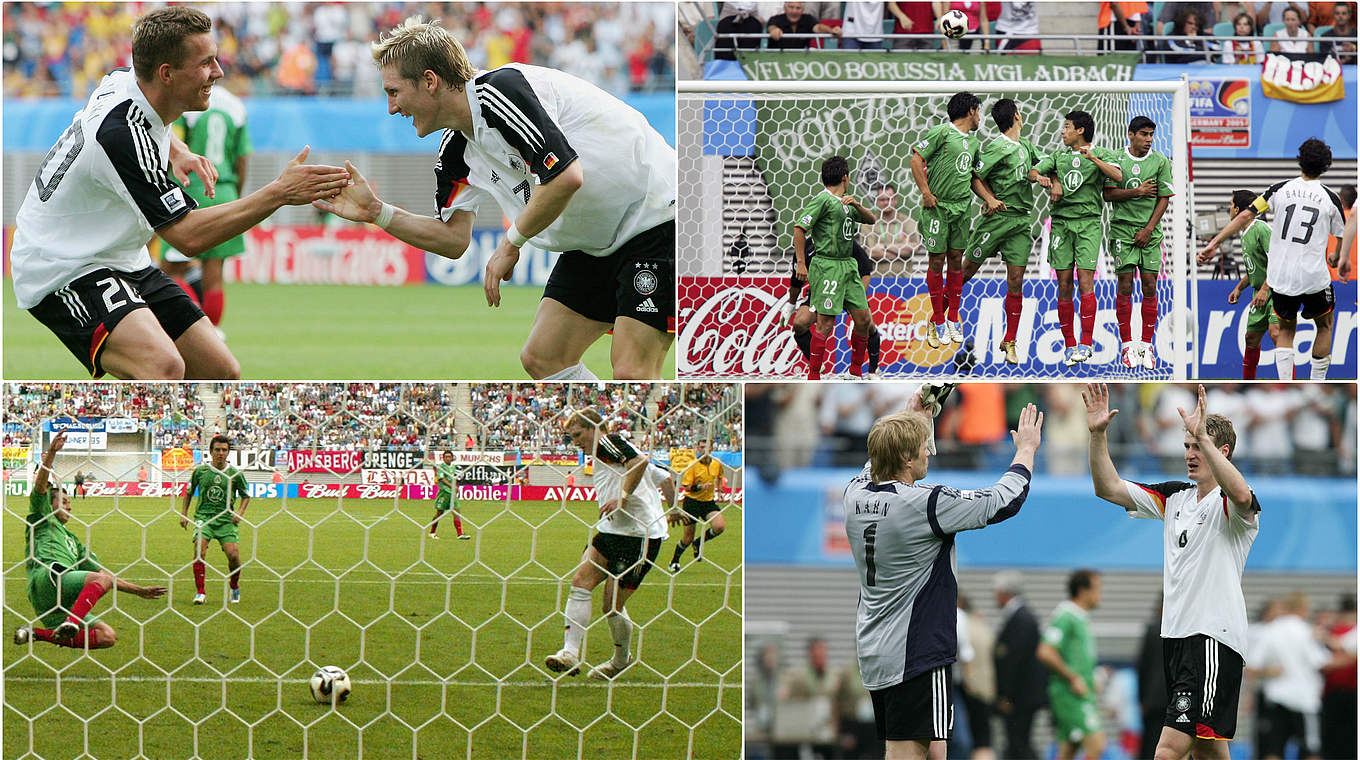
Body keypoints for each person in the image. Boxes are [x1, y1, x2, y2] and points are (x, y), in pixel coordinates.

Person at [316, 16, 676, 381]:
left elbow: (566, 176)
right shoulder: (456, 149)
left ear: (429, 81)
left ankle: (642, 435)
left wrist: (511, 242)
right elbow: (454, 239)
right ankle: (605, 438)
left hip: (657, 215)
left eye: (393, 92)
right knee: (543, 358)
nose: (391, 108)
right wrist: (378, 213)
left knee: (633, 372)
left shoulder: (500, 91)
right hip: (596, 243)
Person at [9, 6, 348, 380]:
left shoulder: (124, 79)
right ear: (167, 74)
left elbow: (137, 109)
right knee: (162, 366)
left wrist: (179, 151)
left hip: (122, 257)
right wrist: (279, 193)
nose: (218, 72)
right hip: (62, 266)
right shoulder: (121, 135)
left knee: (220, 371)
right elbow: (187, 236)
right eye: (206, 63)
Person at [843, 386, 1042, 760]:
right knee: (908, 754)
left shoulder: (854, 494)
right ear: (906, 457)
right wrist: (1026, 450)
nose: (928, 451)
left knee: (933, 750)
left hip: (875, 647)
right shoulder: (924, 504)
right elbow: (1002, 501)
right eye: (922, 445)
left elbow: (877, 461)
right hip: (916, 651)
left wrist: (914, 416)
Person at [1085, 382, 1260, 760]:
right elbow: (1108, 487)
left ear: (1222, 451)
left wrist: (1206, 441)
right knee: (1208, 749)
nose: (1191, 454)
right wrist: (1098, 435)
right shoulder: (1174, 496)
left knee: (1167, 750)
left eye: (1198, 446)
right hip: (1177, 637)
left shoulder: (1231, 505)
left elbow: (1243, 496)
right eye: (1188, 446)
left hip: (1211, 636)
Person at [1198, 138, 1347, 380]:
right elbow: (1340, 238)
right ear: (1327, 165)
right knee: (1325, 326)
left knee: (1286, 329)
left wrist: (1214, 242)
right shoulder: (1330, 199)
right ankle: (1316, 382)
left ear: (1299, 160)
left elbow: (1246, 214)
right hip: (1313, 277)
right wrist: (1335, 256)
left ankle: (1287, 382)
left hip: (1282, 279)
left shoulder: (1279, 189)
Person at [548, 409, 677, 680]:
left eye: (578, 435)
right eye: (571, 438)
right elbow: (663, 476)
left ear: (595, 427)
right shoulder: (610, 451)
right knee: (581, 581)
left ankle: (620, 660)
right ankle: (570, 654)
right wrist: (673, 506)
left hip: (639, 536)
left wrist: (622, 497)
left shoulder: (608, 442)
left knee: (612, 606)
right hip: (611, 530)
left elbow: (640, 463)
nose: (576, 442)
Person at [14, 431, 167, 649]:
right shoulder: (41, 517)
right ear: (50, 504)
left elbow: (105, 575)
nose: (69, 506)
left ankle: (35, 634)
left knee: (107, 636)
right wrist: (52, 454)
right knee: (99, 582)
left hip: (55, 602)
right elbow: (40, 488)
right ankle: (72, 622)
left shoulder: (73, 542)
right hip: (47, 579)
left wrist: (139, 591)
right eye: (64, 501)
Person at [1029, 111, 1124, 366]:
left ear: (1080, 130)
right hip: (1060, 225)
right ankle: (1070, 345)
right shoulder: (1059, 156)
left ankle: (1087, 343)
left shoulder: (1102, 153)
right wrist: (1046, 179)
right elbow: (1033, 171)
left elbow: (1118, 177)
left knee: (1085, 282)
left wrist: (1092, 158)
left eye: (1067, 126)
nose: (1062, 131)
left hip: (1089, 224)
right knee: (1063, 284)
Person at [160, 82, 253, 334]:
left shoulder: (188, 102)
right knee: (214, 273)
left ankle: (195, 331)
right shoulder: (236, 106)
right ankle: (213, 332)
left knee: (170, 271)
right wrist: (234, 196)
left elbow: (171, 148)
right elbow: (242, 158)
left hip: (191, 187)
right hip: (225, 188)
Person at [959, 98, 1043, 365]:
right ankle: (939, 317)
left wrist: (1041, 177)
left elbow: (1034, 169)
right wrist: (990, 199)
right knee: (965, 272)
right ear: (1017, 116)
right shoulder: (997, 146)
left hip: (1020, 222)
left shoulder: (1026, 146)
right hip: (996, 219)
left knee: (1016, 281)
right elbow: (975, 176)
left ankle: (1010, 340)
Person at [794, 156, 878, 379]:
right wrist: (801, 262)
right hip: (827, 267)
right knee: (825, 323)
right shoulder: (823, 200)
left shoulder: (847, 203)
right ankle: (814, 376)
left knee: (863, 320)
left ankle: (854, 373)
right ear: (845, 177)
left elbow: (871, 219)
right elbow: (799, 228)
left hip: (849, 266)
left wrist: (857, 204)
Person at [911, 92, 984, 349]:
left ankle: (953, 316)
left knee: (956, 260)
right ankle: (939, 319)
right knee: (937, 260)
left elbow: (973, 176)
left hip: (962, 209)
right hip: (938, 208)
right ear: (972, 111)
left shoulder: (974, 143)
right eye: (979, 111)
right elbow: (916, 159)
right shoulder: (941, 132)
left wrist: (988, 198)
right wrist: (926, 193)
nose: (980, 118)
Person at [1104, 115, 1174, 370]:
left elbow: (1164, 198)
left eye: (1151, 135)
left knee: (1150, 285)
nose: (1149, 140)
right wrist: (1138, 191)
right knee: (1125, 285)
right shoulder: (1116, 158)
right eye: (1144, 134)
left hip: (1150, 233)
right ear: (1131, 134)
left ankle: (1146, 346)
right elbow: (1107, 194)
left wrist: (1149, 228)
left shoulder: (1160, 161)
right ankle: (1126, 346)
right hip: (1123, 232)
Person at [1247, 591, 1331, 760]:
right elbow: (1321, 661)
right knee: (1311, 751)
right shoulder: (1306, 630)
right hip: (1304, 700)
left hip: (1276, 698)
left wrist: (1267, 672)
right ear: (1304, 609)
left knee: (1273, 751)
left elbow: (1251, 665)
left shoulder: (1270, 630)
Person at [785, 238, 884, 378]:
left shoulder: (845, 241)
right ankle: (817, 367)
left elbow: (865, 272)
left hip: (849, 292)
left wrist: (858, 299)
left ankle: (873, 370)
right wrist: (791, 305)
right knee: (800, 323)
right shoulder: (804, 247)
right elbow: (796, 281)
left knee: (868, 325)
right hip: (822, 293)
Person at [1209, 190, 1279, 379]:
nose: (1229, 209)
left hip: (1276, 291)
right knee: (1251, 338)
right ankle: (1248, 380)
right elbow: (1255, 269)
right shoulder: (1244, 234)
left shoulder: (1260, 228)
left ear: (1238, 209)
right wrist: (1239, 288)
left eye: (1231, 205)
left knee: (1276, 333)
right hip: (1260, 291)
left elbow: (1277, 260)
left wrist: (1265, 290)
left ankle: (1289, 379)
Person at [1036, 569, 1106, 760]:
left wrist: (1091, 678)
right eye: (1097, 589)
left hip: (1081, 694)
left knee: (1068, 751)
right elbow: (1045, 651)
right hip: (1071, 696)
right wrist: (1073, 677)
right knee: (1096, 744)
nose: (1100, 594)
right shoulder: (1066, 615)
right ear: (1083, 591)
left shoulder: (1080, 617)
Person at [179, 434, 250, 604]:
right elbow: (189, 492)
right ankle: (200, 592)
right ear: (210, 452)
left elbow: (245, 495)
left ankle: (234, 586)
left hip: (226, 520)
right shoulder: (201, 471)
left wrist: (239, 513)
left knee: (233, 555)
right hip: (204, 518)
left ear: (228, 452)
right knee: (199, 551)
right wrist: (184, 513)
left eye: (224, 450)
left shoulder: (235, 474)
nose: (220, 453)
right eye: (217, 449)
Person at [994, 570, 1047, 760]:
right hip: (1021, 696)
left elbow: (1015, 661)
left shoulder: (1021, 618)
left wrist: (1006, 695)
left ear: (1004, 592)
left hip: (1020, 697)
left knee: (1018, 743)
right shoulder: (1021, 617)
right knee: (1018, 743)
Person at [668, 439, 727, 571]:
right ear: (698, 449)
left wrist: (720, 490)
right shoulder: (692, 465)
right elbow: (687, 487)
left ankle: (699, 542)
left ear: (711, 449)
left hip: (708, 502)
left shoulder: (717, 463)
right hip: (692, 502)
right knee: (687, 538)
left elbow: (720, 477)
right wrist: (700, 487)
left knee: (719, 526)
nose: (703, 450)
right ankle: (674, 560)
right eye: (701, 447)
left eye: (706, 447)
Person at [767, 2, 840, 49]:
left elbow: (818, 27)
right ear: (785, 9)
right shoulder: (776, 19)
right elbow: (771, 27)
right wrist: (774, 30)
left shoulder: (808, 19)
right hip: (777, 60)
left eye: (798, 8)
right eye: (791, 7)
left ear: (803, 10)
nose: (794, 11)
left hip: (801, 61)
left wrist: (831, 30)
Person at [430, 450, 468, 540]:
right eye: (446, 457)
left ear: (452, 458)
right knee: (439, 513)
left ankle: (460, 534)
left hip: (452, 494)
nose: (447, 458)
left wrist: (455, 486)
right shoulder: (441, 467)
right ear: (443, 458)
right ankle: (432, 532)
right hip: (444, 492)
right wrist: (453, 486)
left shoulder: (454, 467)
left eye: (449, 456)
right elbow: (441, 478)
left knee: (456, 512)